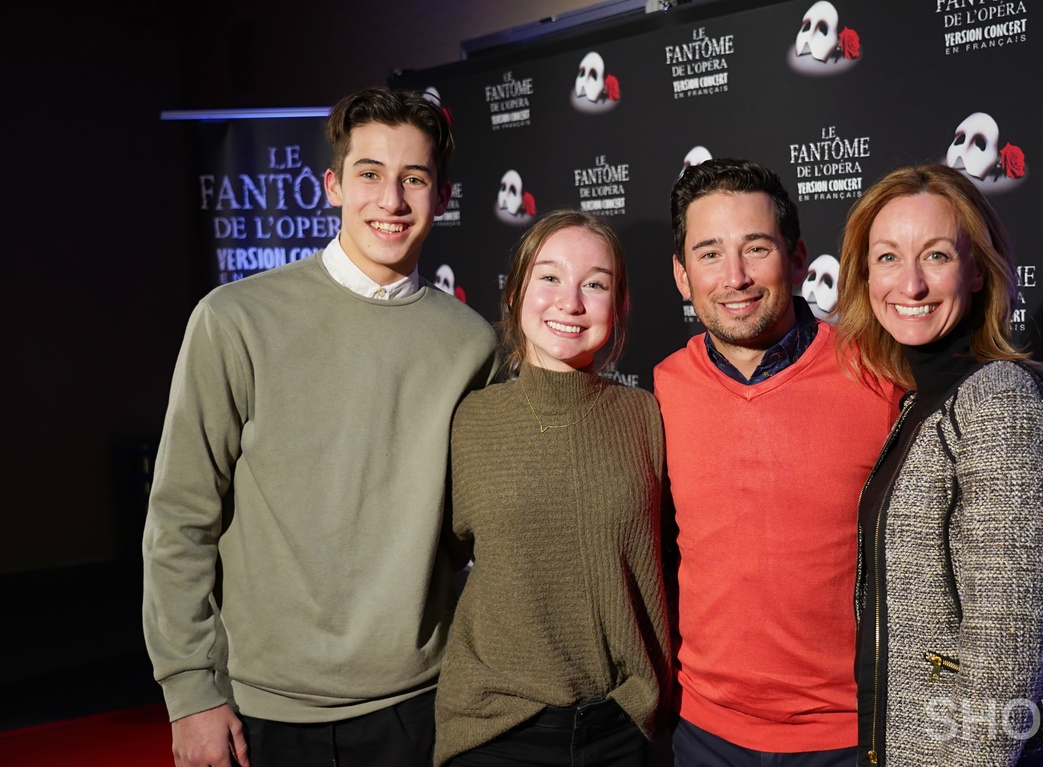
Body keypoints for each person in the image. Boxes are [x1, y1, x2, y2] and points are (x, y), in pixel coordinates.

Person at [142, 88, 498, 767]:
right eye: (369, 174)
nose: (391, 200)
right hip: (261, 710)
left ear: (441, 197)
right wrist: (190, 690)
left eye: (413, 179)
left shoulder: (470, 343)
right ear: (333, 185)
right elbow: (180, 518)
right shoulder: (234, 320)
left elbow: (465, 529)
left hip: (418, 704)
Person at [654, 159, 898, 766]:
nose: (734, 276)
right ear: (682, 277)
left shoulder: (881, 378)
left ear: (796, 259)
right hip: (703, 732)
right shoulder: (660, 391)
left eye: (755, 248)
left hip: (851, 735)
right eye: (709, 254)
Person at [835, 163, 1043, 767]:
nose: (909, 285)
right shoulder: (921, 398)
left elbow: (1005, 653)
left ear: (977, 270)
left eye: (936, 256)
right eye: (887, 257)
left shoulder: (999, 400)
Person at [435, 210, 671, 767]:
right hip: (497, 729)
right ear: (516, 292)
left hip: (622, 729)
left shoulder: (648, 417)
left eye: (595, 284)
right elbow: (435, 562)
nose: (571, 301)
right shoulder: (471, 420)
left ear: (619, 305)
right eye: (549, 277)